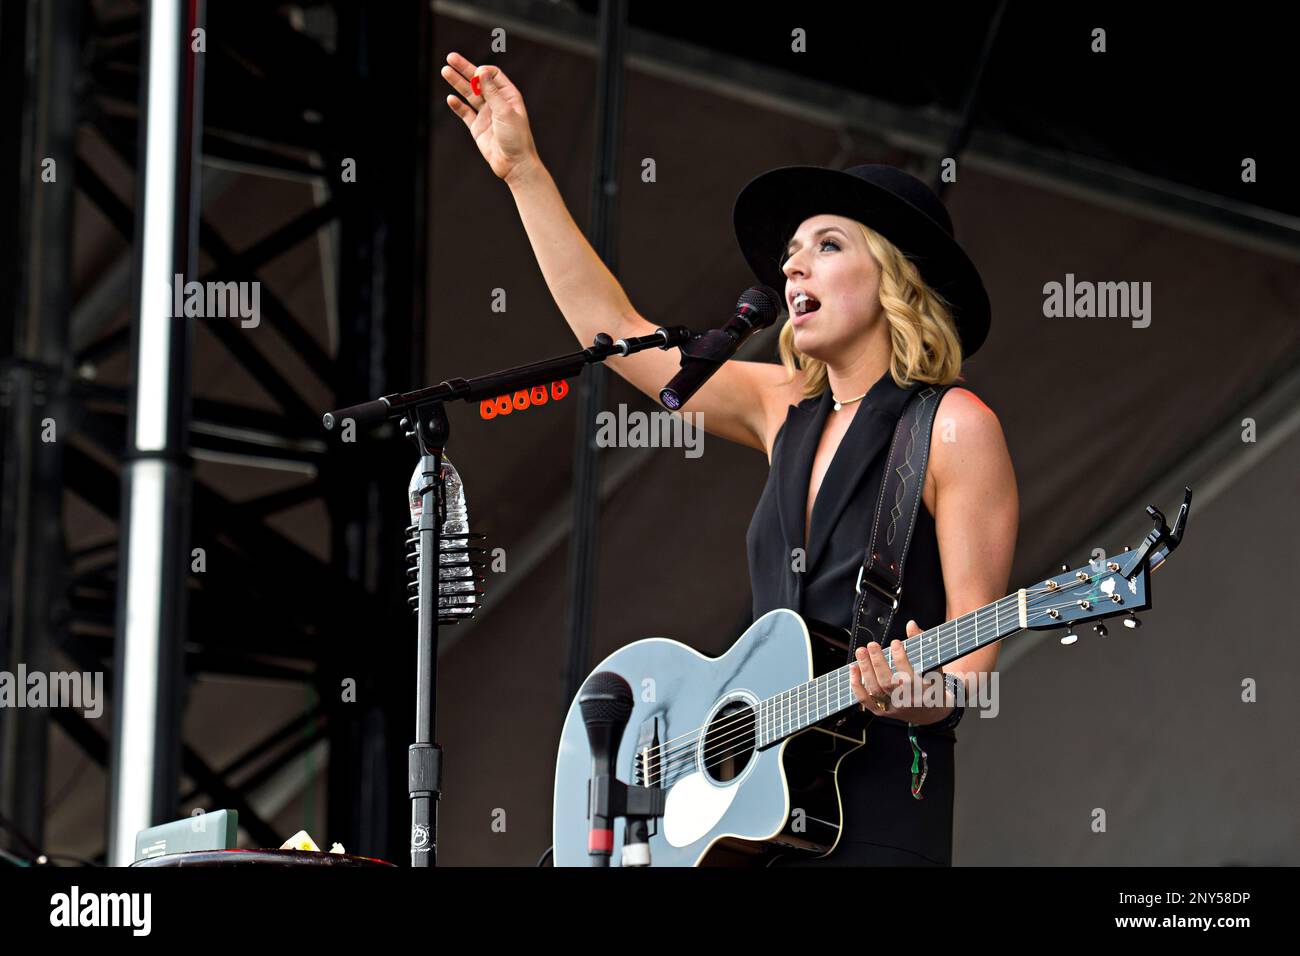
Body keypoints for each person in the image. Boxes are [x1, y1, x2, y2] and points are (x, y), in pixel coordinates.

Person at [440, 53, 1018, 866]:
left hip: (875, 813)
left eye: (826, 244)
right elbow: (613, 331)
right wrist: (524, 170)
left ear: (896, 279)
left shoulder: (955, 426)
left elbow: (972, 656)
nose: (792, 265)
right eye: (790, 252)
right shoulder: (783, 404)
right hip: (752, 814)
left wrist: (925, 698)